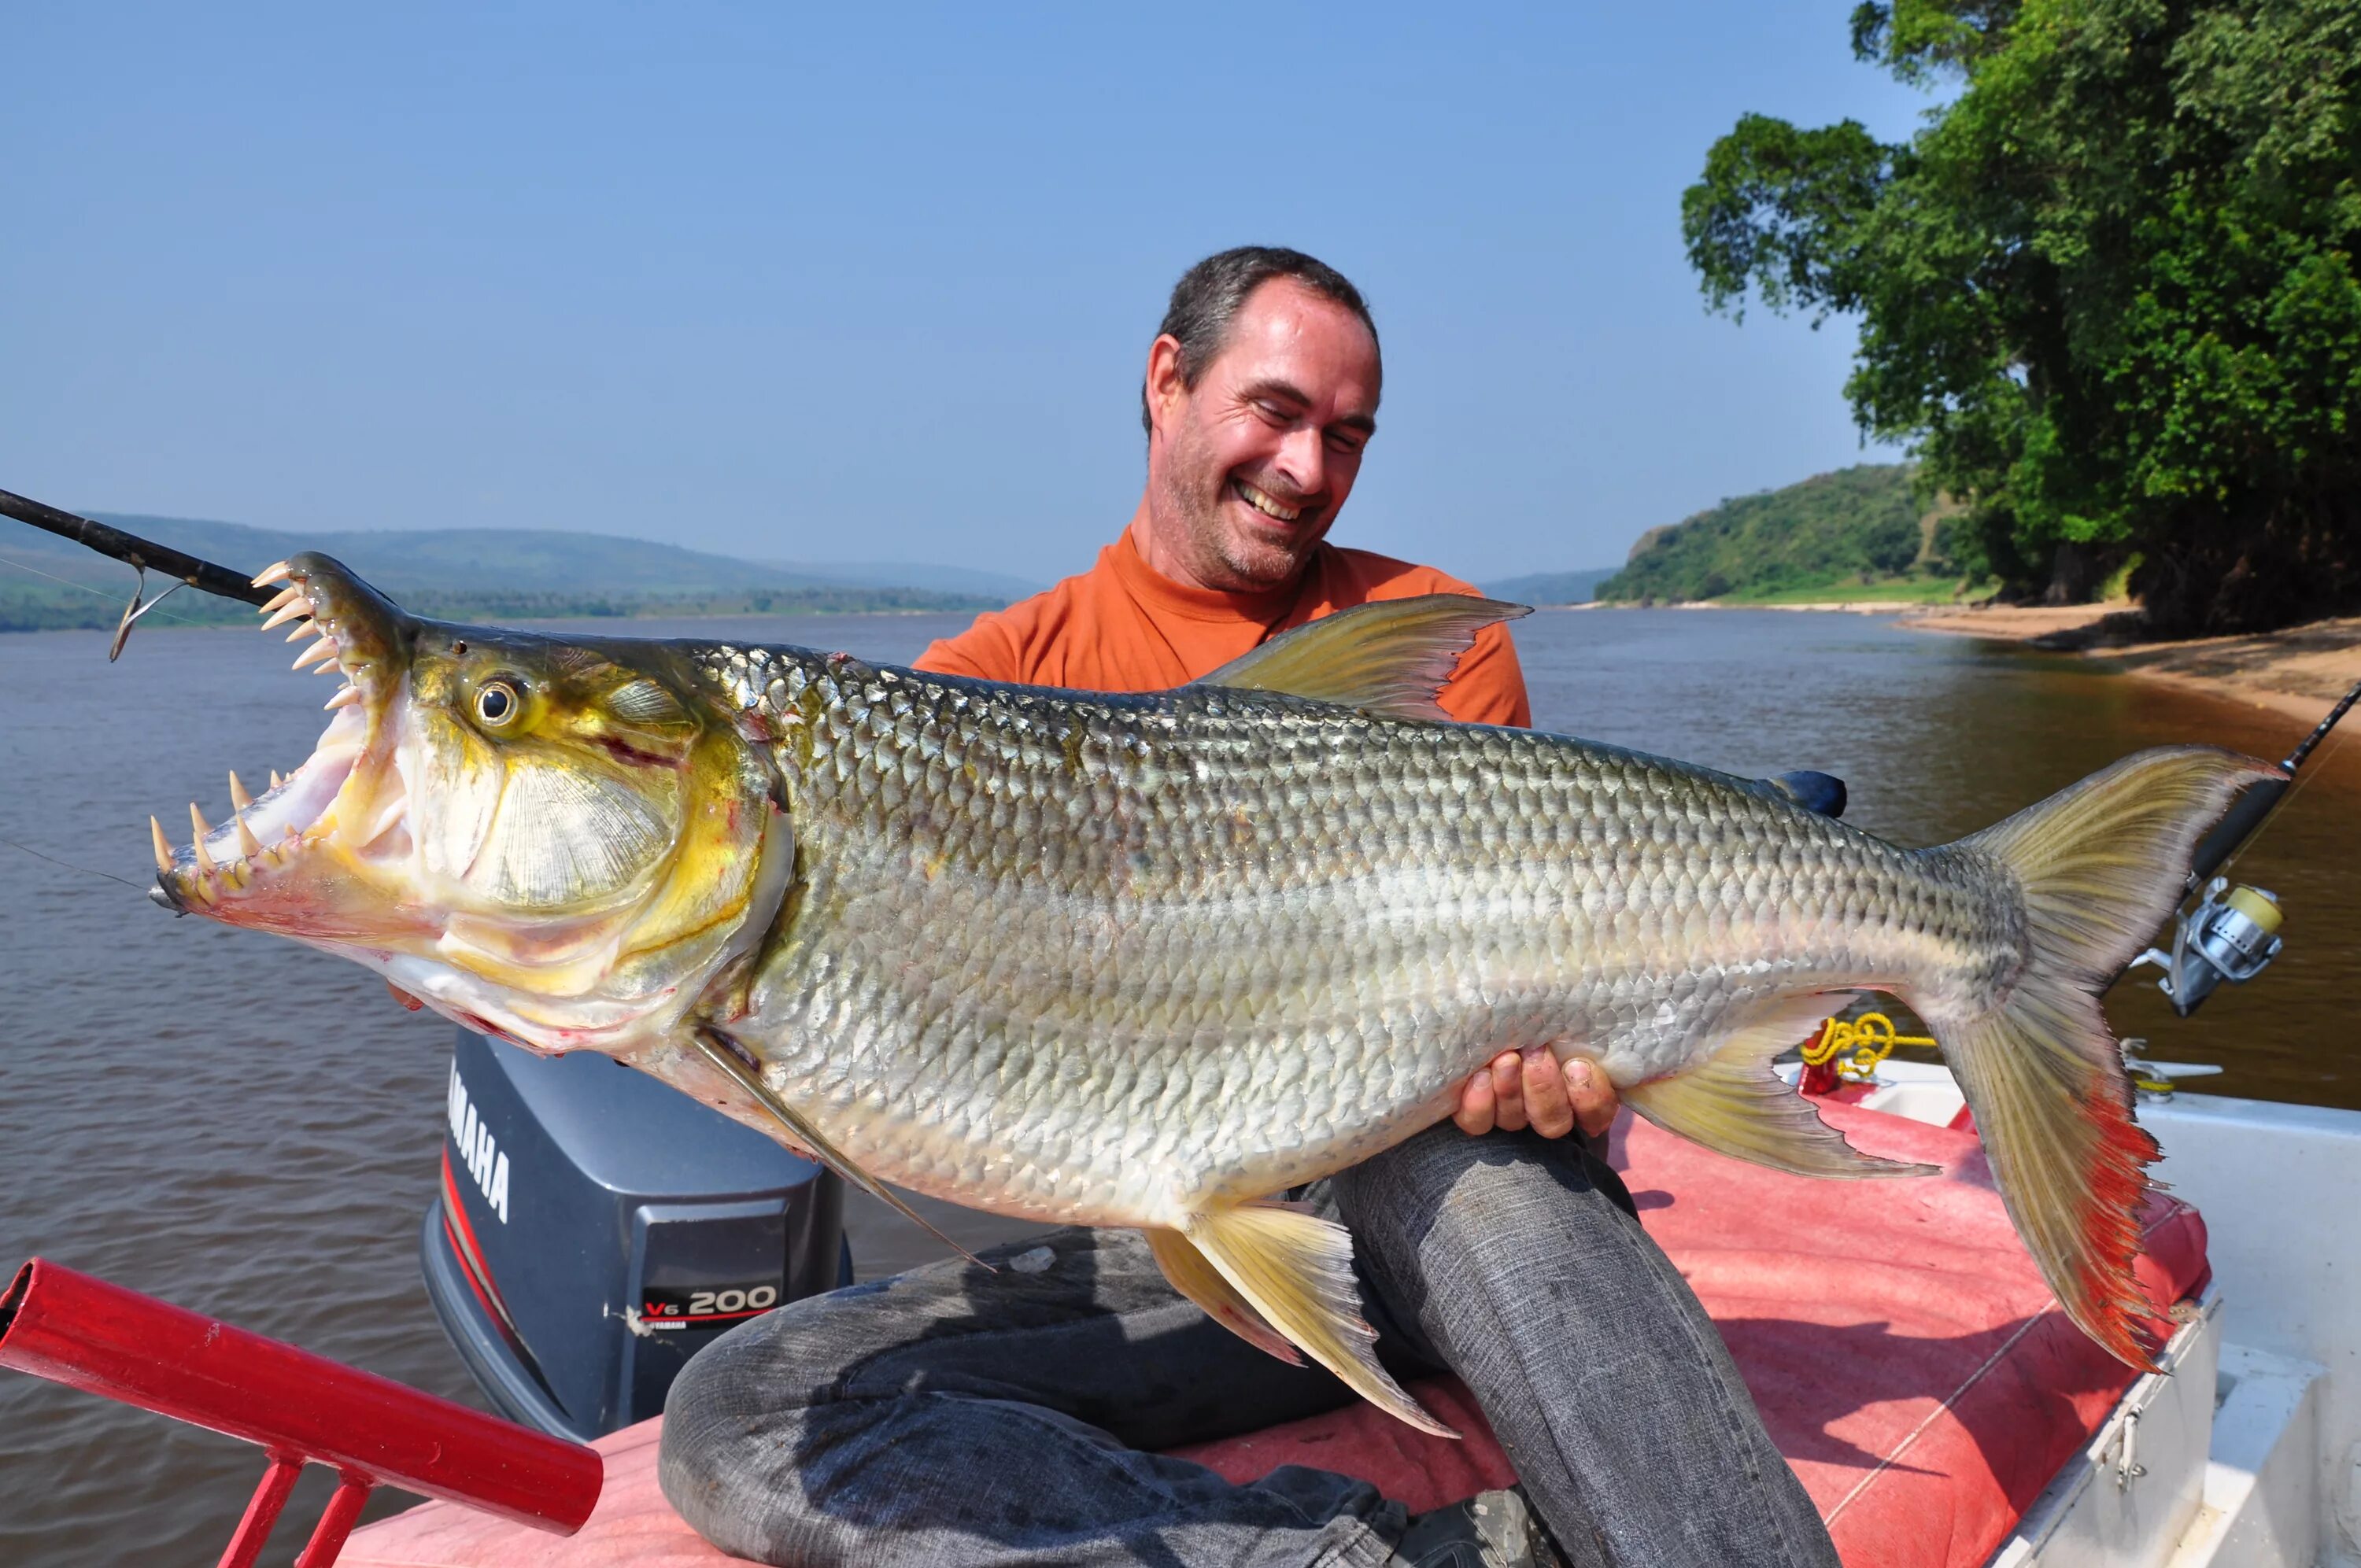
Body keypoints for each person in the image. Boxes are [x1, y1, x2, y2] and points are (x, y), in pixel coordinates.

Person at [660, 248, 1839, 1568]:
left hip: (1443, 1189)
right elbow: (851, 1033)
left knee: (1491, 1172)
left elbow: (1551, 1013)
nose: (1306, 469)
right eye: (1273, 413)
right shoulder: (984, 686)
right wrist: (578, 981)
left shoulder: (1436, 636)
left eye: (1346, 436)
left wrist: (1572, 1079)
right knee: (737, 1409)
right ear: (1167, 382)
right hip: (1189, 1252)